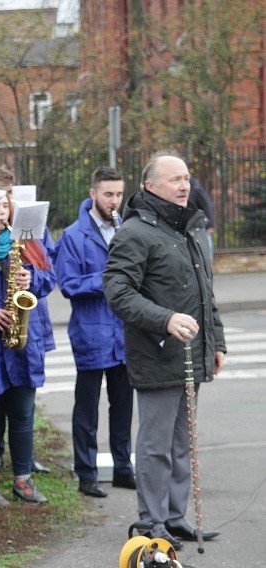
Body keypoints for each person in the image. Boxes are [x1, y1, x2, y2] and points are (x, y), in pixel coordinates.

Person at [103, 152, 225, 549]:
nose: (184, 185)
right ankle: (151, 521)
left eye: (186, 177)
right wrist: (165, 319)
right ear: (150, 186)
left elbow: (206, 293)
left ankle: (175, 517)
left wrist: (217, 342)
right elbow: (117, 292)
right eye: (175, 179)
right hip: (156, 353)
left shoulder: (190, 228)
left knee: (182, 443)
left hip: (192, 354)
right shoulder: (136, 232)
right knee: (155, 446)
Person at [0, 193, 55, 505]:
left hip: (22, 342)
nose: (2, 213)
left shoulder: (25, 243)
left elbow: (50, 279)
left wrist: (33, 278)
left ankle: (23, 479)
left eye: (5, 207)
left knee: (23, 412)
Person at [54, 166, 133, 499]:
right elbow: (68, 284)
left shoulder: (126, 229)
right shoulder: (73, 235)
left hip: (124, 333)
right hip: (91, 332)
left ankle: (122, 469)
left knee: (124, 406)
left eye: (118, 194)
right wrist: (108, 279)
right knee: (86, 409)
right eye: (108, 195)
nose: (114, 201)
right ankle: (86, 473)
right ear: (93, 195)